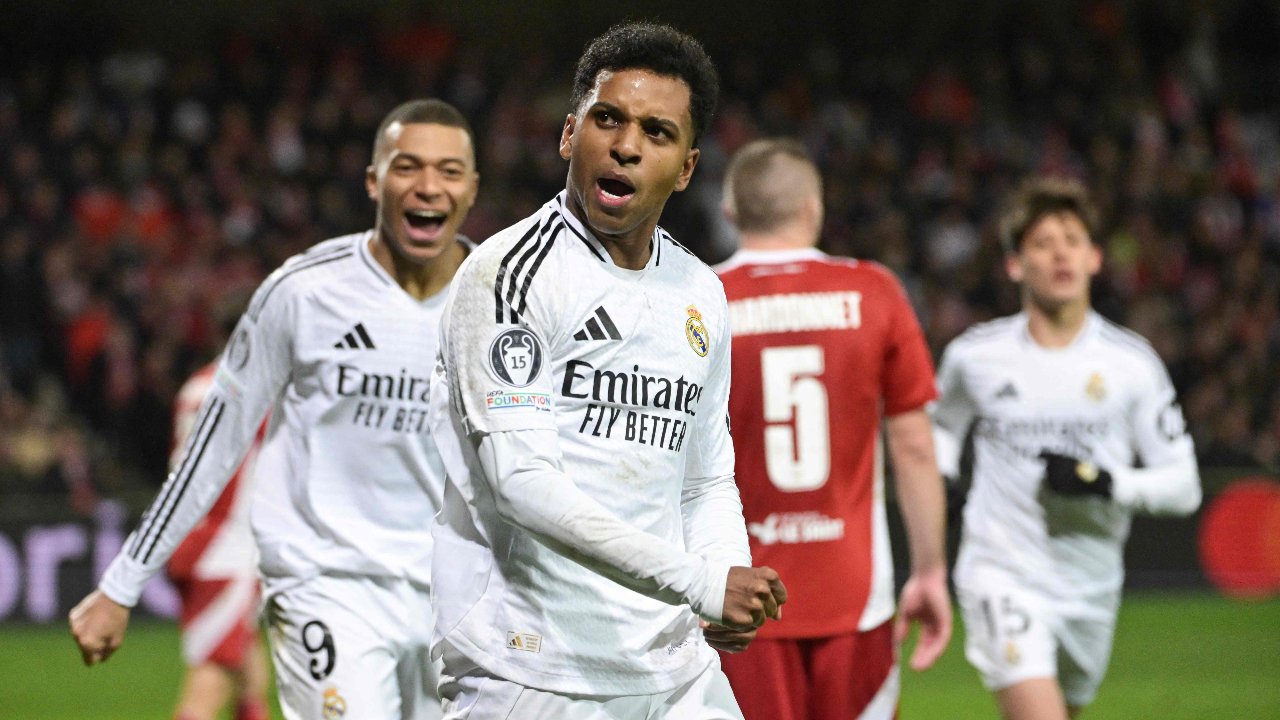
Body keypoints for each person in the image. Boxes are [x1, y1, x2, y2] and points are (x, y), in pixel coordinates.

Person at [69, 98, 480, 720]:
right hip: (327, 584)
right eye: (407, 167)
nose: (428, 186)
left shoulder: (503, 302)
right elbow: (213, 446)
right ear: (373, 180)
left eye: (449, 171)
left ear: (473, 188)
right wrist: (121, 583)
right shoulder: (302, 293)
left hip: (458, 596)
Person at [427, 22, 787, 719]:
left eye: (656, 132)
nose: (625, 145)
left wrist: (723, 570)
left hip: (673, 665)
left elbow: (705, 476)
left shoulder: (698, 290)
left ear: (686, 168)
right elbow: (522, 485)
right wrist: (699, 582)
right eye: (609, 119)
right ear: (570, 135)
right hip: (531, 667)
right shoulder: (511, 275)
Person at [931, 177, 1201, 720]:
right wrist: (944, 484)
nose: (1060, 253)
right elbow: (939, 428)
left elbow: (1185, 486)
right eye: (1043, 242)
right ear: (1014, 264)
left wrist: (1104, 482)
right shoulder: (974, 357)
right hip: (1001, 571)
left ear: (1096, 258)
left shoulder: (1133, 364)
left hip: (1091, 582)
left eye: (1073, 239)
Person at [713, 138, 953, 720]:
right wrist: (929, 571)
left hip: (735, 597)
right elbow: (916, 448)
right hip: (854, 596)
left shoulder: (698, 300)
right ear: (813, 208)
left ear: (731, 211)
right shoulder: (875, 292)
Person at [166, 355, 270, 720]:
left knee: (247, 668)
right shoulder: (253, 388)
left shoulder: (197, 383)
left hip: (190, 540)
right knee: (208, 687)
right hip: (225, 548)